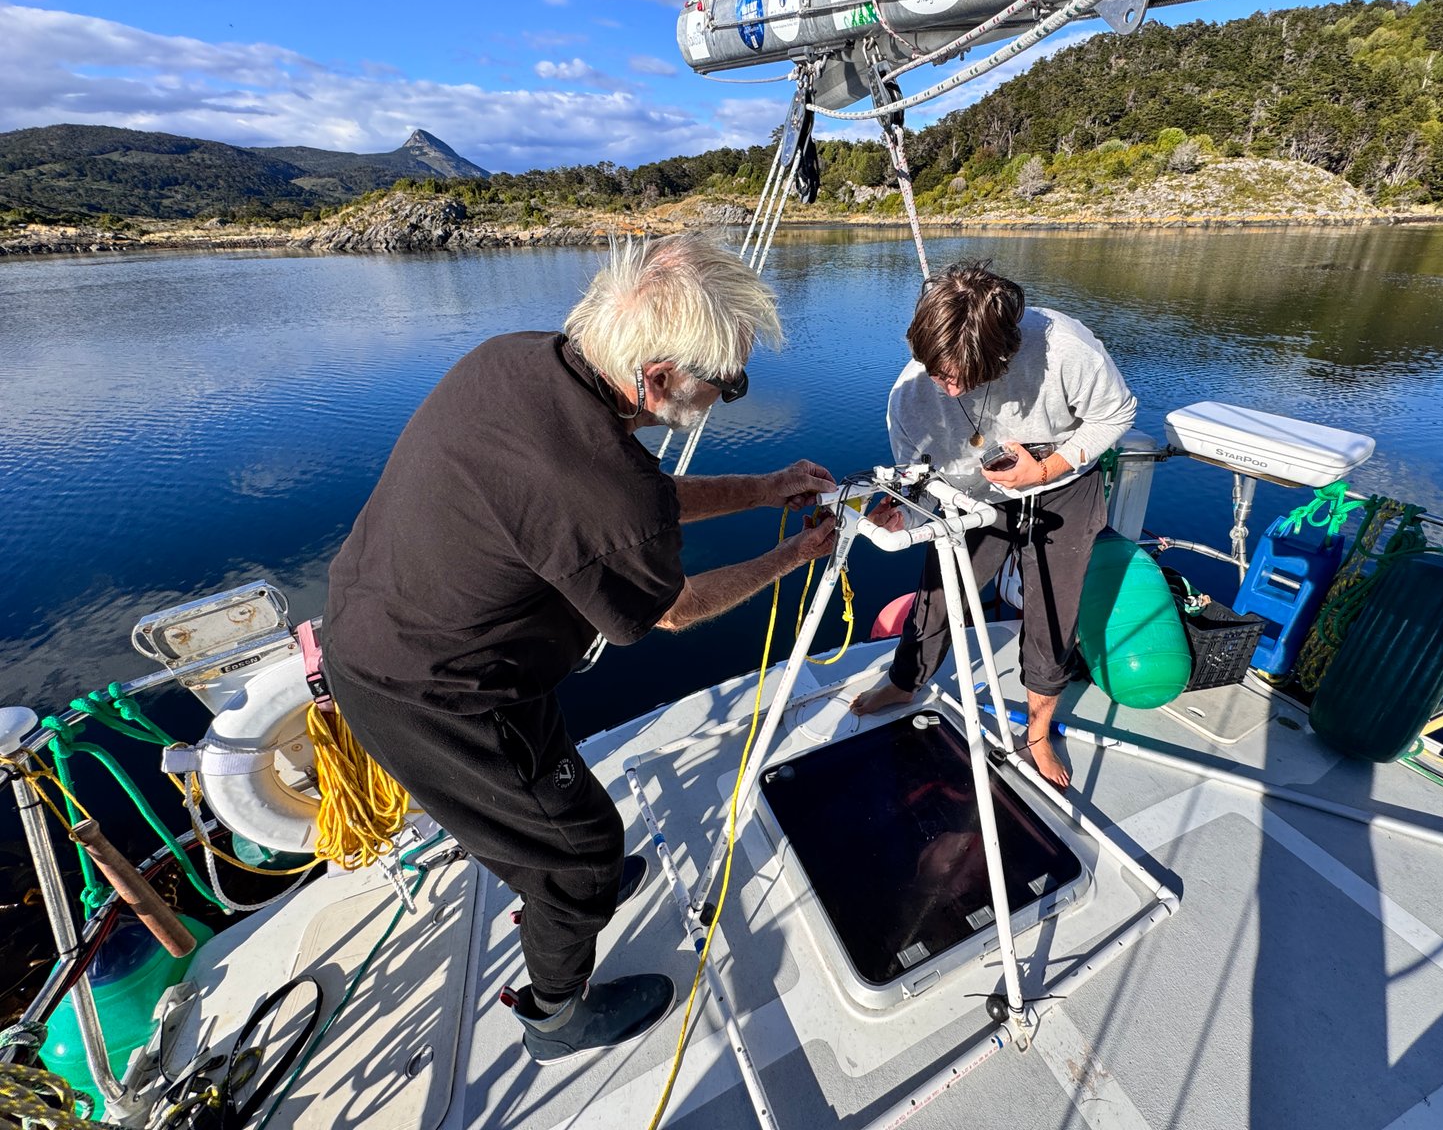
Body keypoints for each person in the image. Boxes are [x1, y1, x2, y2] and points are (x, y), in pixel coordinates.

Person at [320, 234, 837, 1064]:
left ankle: (556, 883)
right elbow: (674, 607)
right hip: (435, 693)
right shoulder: (605, 487)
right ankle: (554, 1012)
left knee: (555, 795)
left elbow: (626, 504)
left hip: (389, 625)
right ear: (659, 381)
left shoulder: (516, 362)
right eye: (728, 384)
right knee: (582, 855)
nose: (732, 395)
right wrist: (790, 555)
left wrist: (766, 489)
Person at [852, 261, 1136, 788]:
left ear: (1006, 352)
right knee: (939, 594)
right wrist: (901, 511)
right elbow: (914, 481)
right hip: (971, 495)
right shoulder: (908, 397)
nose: (951, 390)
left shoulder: (1066, 349)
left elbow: (1117, 414)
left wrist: (1048, 468)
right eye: (939, 373)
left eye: (965, 377)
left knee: (1054, 608)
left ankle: (1037, 733)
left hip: (1064, 485)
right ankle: (904, 682)